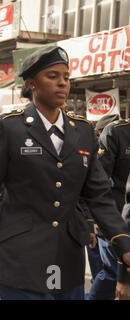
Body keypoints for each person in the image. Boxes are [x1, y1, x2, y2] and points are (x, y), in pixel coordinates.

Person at [0, 46, 130, 300]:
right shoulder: (9, 127)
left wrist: (124, 244)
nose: (62, 83)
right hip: (19, 256)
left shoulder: (83, 132)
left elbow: (100, 197)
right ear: (32, 83)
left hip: (66, 258)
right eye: (53, 76)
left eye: (66, 77)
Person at [86, 115, 130, 299]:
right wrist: (95, 219)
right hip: (116, 219)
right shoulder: (117, 132)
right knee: (111, 275)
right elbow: (97, 181)